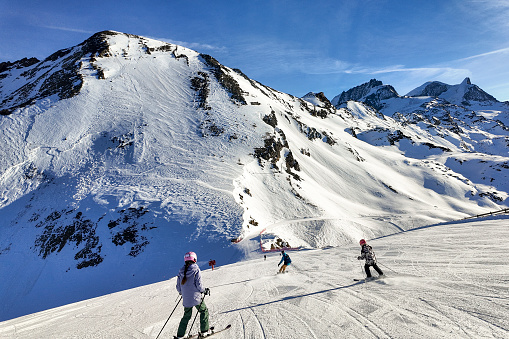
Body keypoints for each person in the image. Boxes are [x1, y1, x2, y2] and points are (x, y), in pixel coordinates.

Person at [175, 251, 211, 339]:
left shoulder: (180, 271)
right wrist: (204, 290)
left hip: (186, 298)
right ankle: (204, 331)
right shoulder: (196, 270)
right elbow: (199, 285)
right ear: (194, 259)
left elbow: (178, 286)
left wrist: (182, 292)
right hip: (196, 297)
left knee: (186, 315)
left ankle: (181, 335)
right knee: (203, 311)